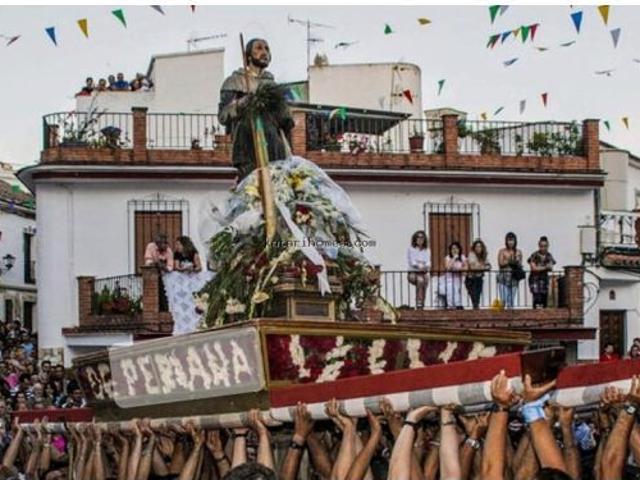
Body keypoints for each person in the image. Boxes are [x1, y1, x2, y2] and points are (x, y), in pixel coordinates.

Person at [219, 38, 294, 180]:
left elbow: (285, 124)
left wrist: (285, 113)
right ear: (248, 56)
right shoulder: (235, 81)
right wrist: (243, 102)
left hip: (274, 147)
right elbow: (223, 116)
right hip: (247, 145)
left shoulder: (272, 84)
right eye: (259, 48)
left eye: (267, 49)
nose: (264, 52)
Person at [528, 236, 557, 309]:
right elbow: (533, 268)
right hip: (535, 280)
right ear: (539, 246)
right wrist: (545, 267)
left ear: (548, 246)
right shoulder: (534, 255)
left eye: (545, 246)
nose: (543, 248)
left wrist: (541, 268)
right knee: (536, 299)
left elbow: (551, 267)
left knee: (544, 300)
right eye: (541, 246)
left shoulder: (549, 256)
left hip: (544, 280)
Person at [497, 232, 524, 308]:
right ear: (506, 241)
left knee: (511, 301)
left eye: (512, 240)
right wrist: (509, 261)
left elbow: (520, 264)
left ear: (515, 241)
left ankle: (510, 314)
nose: (510, 242)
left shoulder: (518, 252)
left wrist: (516, 261)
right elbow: (500, 263)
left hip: (514, 278)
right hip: (503, 278)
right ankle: (502, 314)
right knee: (503, 300)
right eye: (509, 240)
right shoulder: (502, 251)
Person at [406, 231, 430, 309]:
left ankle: (422, 303)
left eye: (422, 237)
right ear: (415, 239)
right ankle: (419, 302)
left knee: (426, 280)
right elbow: (413, 262)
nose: (420, 239)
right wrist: (421, 265)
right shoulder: (411, 249)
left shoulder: (427, 250)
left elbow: (428, 263)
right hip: (413, 273)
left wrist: (422, 265)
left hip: (423, 272)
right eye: (418, 237)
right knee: (420, 280)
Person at [465, 239, 490, 309]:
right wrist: (483, 266)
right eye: (476, 246)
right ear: (474, 247)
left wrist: (480, 266)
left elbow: (488, 266)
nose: (478, 248)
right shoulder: (471, 254)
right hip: (471, 279)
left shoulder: (484, 255)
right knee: (474, 297)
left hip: (479, 278)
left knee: (477, 298)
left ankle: (476, 310)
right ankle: (475, 310)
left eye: (480, 246)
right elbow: (473, 267)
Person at [444, 241, 467, 309]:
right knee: (450, 291)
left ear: (459, 249)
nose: (454, 250)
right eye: (453, 248)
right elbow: (448, 267)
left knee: (457, 292)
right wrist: (454, 258)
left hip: (459, 279)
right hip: (449, 279)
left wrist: (459, 269)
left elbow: (466, 268)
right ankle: (452, 306)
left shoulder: (462, 257)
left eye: (456, 248)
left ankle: (458, 305)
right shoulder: (448, 257)